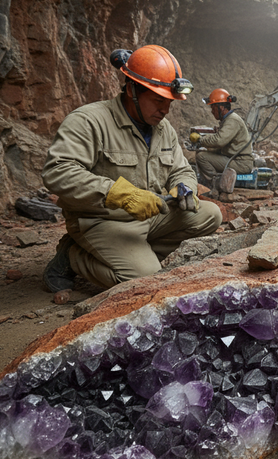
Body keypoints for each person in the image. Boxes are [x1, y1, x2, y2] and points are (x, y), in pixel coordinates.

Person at [41, 45, 223, 293]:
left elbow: (182, 170)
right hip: (102, 220)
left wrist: (185, 187)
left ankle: (134, 252)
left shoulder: (163, 128)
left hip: (151, 218)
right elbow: (58, 172)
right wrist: (121, 195)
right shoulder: (89, 120)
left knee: (211, 214)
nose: (165, 110)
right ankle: (73, 256)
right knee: (144, 281)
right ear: (131, 90)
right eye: (158, 100)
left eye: (169, 102)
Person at [190, 88, 254, 194]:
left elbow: (219, 141)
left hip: (241, 163)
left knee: (202, 157)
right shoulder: (228, 120)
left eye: (213, 107)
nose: (212, 111)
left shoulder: (232, 120)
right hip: (235, 158)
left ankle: (214, 185)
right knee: (206, 152)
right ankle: (214, 182)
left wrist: (200, 140)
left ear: (221, 107)